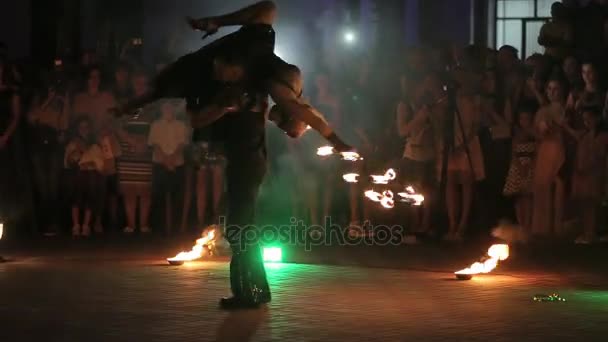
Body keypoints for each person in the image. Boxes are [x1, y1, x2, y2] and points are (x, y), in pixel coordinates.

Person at [112, 1, 353, 154]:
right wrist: (335, 140)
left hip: (218, 71)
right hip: (246, 58)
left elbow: (189, 115)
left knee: (170, 86)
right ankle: (214, 25)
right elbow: (303, 113)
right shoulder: (280, 83)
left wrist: (131, 105)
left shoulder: (266, 87)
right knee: (268, 9)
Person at [561, 106, 608, 244]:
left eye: (589, 118)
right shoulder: (585, 135)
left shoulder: (603, 136)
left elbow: (599, 156)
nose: (587, 121)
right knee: (585, 205)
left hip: (595, 175)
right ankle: (588, 233)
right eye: (584, 119)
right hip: (582, 176)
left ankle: (593, 233)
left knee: (593, 205)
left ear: (598, 118)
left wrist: (587, 168)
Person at [532, 78, 567, 238]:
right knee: (542, 186)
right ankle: (542, 226)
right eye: (550, 89)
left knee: (558, 184)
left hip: (558, 149)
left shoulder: (566, 108)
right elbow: (537, 133)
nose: (553, 92)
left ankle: (557, 225)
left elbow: (564, 127)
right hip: (544, 150)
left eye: (556, 89)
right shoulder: (542, 111)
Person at [148, 100, 189, 234]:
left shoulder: (181, 125)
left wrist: (172, 159)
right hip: (160, 164)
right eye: (165, 107)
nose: (168, 110)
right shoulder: (155, 125)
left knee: (177, 197)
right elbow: (154, 144)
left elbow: (182, 144)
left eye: (170, 107)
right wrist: (166, 160)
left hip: (177, 164)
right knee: (159, 197)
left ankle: (176, 230)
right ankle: (159, 229)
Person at [64, 116, 104, 238]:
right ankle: (76, 225)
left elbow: (100, 164)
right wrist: (78, 154)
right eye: (81, 127)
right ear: (77, 129)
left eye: (86, 127)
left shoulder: (95, 145)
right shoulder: (73, 143)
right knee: (76, 199)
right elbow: (68, 161)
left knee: (89, 199)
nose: (84, 129)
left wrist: (91, 163)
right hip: (77, 175)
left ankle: (86, 225)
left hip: (91, 176)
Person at [503, 107, 537, 239]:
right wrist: (518, 166)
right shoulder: (516, 135)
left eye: (527, 119)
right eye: (522, 119)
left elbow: (536, 153)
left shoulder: (534, 135)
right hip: (518, 167)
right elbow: (513, 154)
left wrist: (529, 166)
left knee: (527, 197)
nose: (524, 121)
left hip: (530, 167)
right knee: (518, 197)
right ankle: (521, 224)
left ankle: (528, 225)